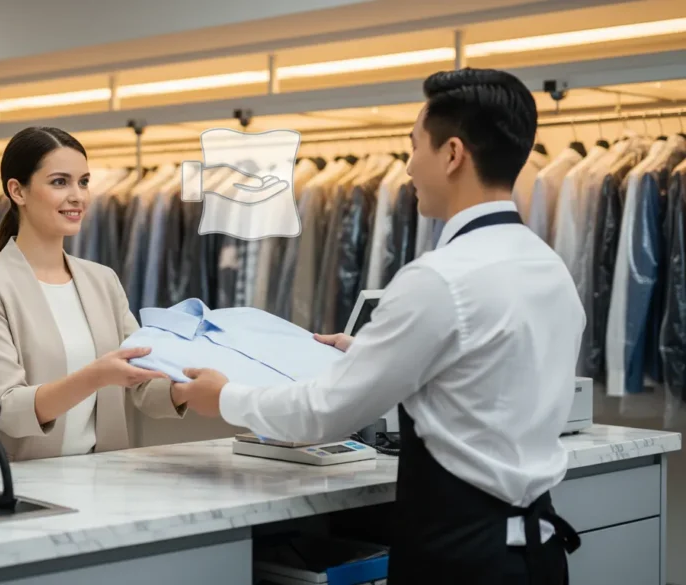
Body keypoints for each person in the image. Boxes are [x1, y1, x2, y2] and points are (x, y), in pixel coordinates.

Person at [171, 68, 585, 584]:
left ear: (452, 154)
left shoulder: (438, 278)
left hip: (461, 561)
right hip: (540, 555)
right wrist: (374, 353)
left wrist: (226, 396)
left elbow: (323, 413)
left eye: (414, 147)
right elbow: (486, 385)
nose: (408, 166)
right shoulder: (550, 268)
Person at [0, 126, 186, 465]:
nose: (78, 196)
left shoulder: (102, 280)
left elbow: (142, 382)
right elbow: (7, 407)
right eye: (60, 182)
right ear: (18, 191)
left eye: (84, 182)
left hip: (100, 475)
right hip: (13, 481)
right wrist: (97, 376)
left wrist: (192, 387)